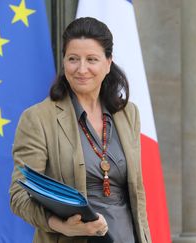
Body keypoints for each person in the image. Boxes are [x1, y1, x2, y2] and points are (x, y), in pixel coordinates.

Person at [9, 17, 151, 243]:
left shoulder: (128, 114)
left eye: (91, 59)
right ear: (63, 62)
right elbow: (19, 197)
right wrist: (63, 226)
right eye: (73, 59)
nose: (81, 69)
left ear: (108, 63)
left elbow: (136, 195)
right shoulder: (37, 119)